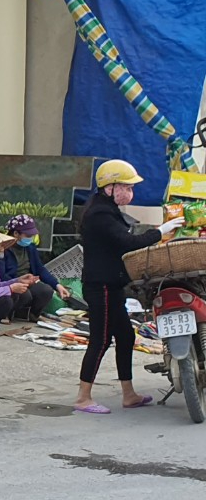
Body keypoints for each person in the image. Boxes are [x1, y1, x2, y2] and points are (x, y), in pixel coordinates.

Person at [74, 159, 185, 414]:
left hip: (111, 284)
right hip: (99, 285)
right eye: (126, 187)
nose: (130, 193)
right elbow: (128, 242)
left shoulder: (108, 209)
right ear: (110, 187)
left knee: (126, 337)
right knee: (100, 340)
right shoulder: (100, 213)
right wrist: (161, 231)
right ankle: (83, 397)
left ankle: (129, 393)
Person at [1, 214, 69, 321]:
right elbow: (0, 275)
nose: (31, 238)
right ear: (15, 233)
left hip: (28, 282)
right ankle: (5, 313)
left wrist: (57, 285)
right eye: (28, 236)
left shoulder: (30, 248)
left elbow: (40, 269)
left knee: (46, 290)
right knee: (24, 294)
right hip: (10, 282)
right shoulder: (3, 249)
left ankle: (32, 314)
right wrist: (17, 281)